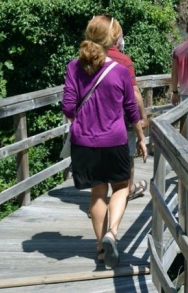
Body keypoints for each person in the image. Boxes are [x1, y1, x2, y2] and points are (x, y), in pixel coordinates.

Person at [62, 15, 147, 268]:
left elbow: (68, 107)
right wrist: (141, 138)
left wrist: (84, 120)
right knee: (120, 187)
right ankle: (112, 233)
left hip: (84, 143)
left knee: (97, 193)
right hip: (115, 140)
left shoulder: (73, 67)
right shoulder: (119, 71)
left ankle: (100, 249)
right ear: (111, 39)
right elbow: (132, 109)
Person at [107, 27, 148, 202]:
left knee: (104, 156)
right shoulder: (123, 60)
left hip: (97, 119)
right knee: (127, 154)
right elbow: (134, 92)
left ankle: (101, 196)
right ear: (117, 39)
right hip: (121, 117)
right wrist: (143, 115)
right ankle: (127, 189)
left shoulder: (90, 58)